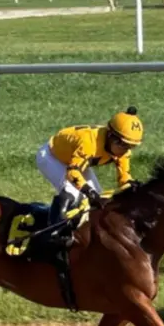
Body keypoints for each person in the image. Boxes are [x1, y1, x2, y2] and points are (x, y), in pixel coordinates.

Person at [35, 106, 143, 248]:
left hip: (75, 162)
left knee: (97, 197)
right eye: (123, 144)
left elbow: (124, 178)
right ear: (111, 136)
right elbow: (72, 173)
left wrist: (133, 187)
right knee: (72, 193)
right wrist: (88, 191)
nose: (126, 150)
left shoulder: (122, 152)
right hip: (52, 157)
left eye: (131, 146)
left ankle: (84, 233)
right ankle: (52, 234)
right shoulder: (88, 143)